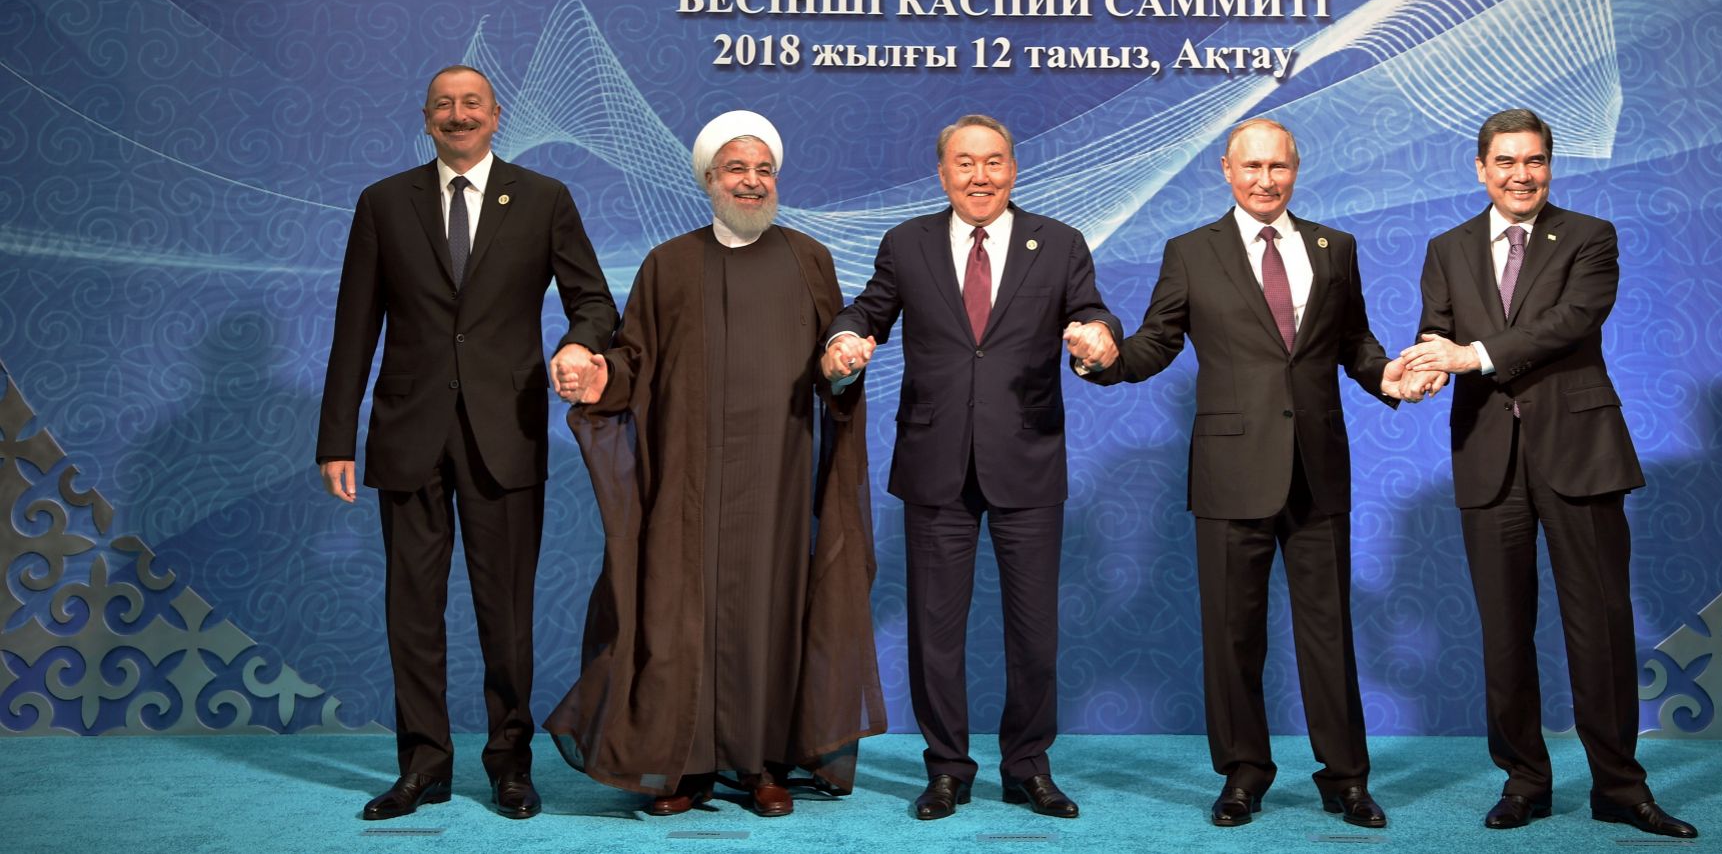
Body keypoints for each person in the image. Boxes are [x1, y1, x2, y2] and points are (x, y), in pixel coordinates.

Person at [1083, 117, 1435, 829]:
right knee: (1233, 632)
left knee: (1328, 632)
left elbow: (1355, 343)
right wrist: (1103, 356)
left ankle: (1347, 778)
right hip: (1229, 471)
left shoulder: (1336, 248)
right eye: (1251, 168)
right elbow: (1157, 342)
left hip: (1318, 468)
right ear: (1225, 170)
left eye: (1278, 167)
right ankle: (1243, 773)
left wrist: (1389, 377)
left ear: (1296, 170)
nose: (1265, 180)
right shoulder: (1190, 251)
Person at [544, 110, 886, 819]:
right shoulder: (667, 263)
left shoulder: (808, 258)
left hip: (778, 482)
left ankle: (764, 764)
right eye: (737, 169)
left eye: (764, 171)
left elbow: (835, 365)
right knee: (675, 615)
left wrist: (844, 372)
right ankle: (683, 764)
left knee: (771, 612)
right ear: (708, 179)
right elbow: (633, 360)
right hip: (686, 479)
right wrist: (597, 376)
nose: (752, 182)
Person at [317, 64, 617, 820]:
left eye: (471, 104)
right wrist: (336, 438)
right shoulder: (384, 203)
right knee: (410, 612)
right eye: (444, 105)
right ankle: (423, 764)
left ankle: (510, 766)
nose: (458, 115)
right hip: (405, 433)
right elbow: (355, 326)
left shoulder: (544, 198)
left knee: (505, 613)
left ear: (496, 115)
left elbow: (594, 300)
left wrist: (580, 347)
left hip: (505, 435)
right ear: (426, 119)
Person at [1399, 108, 1697, 839]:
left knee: (1599, 627)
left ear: (1551, 166)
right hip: (1486, 458)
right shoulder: (1447, 247)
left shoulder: (1590, 237)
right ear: (1481, 169)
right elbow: (1435, 329)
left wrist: (1474, 356)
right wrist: (1420, 369)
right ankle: (1524, 781)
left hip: (1580, 453)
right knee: (1504, 633)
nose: (1520, 175)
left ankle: (1620, 788)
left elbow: (1572, 321)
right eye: (1505, 162)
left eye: (1534, 161)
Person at [821, 115, 1120, 821]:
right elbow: (867, 311)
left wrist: (1097, 342)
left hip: (1028, 458)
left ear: (1014, 168)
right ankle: (947, 768)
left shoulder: (1061, 244)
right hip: (935, 464)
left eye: (992, 162)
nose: (979, 176)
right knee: (935, 629)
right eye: (964, 164)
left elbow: (1093, 316)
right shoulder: (908, 243)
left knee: (1034, 630)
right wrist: (842, 343)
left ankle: (1027, 766)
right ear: (943, 174)